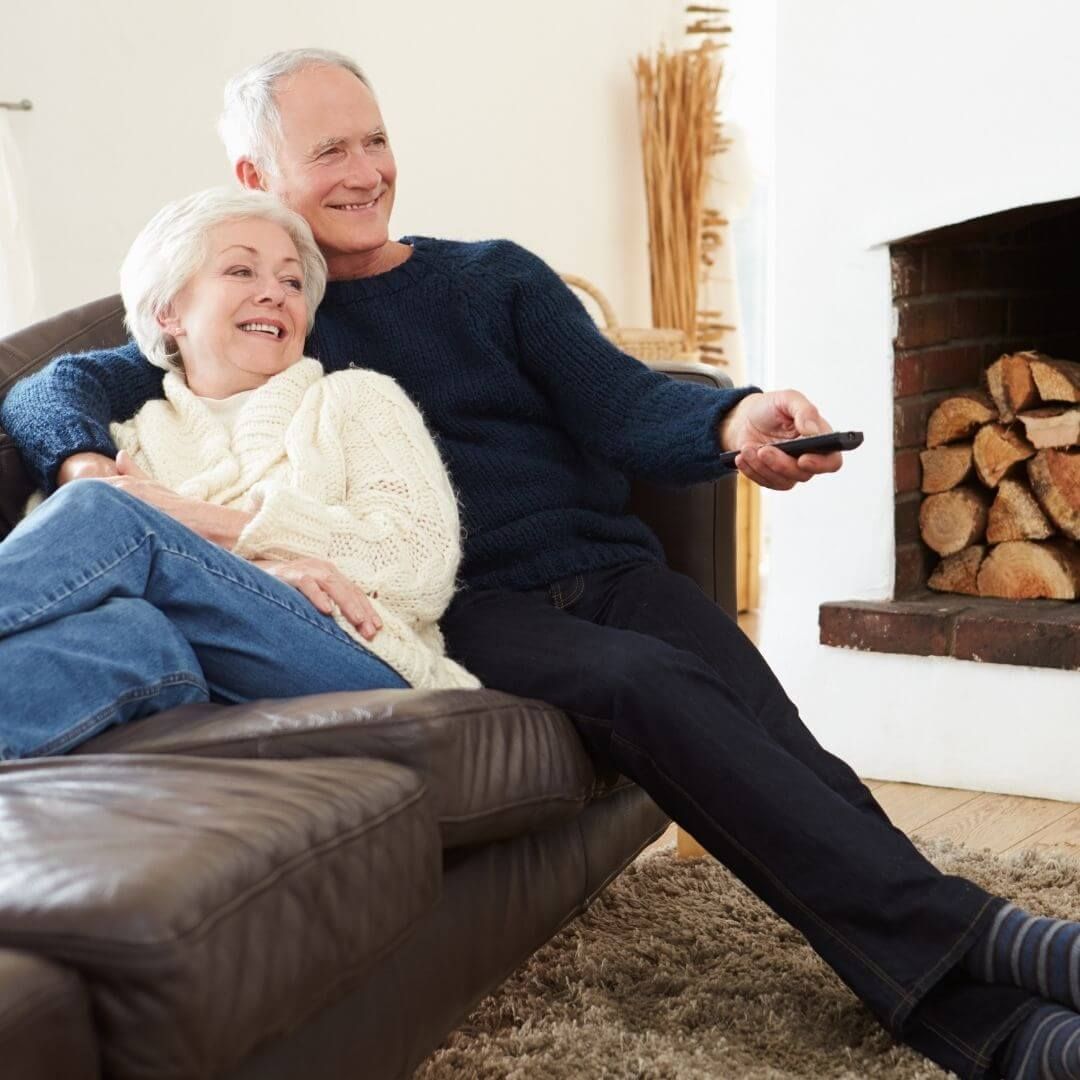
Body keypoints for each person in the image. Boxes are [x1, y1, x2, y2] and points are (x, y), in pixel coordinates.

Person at [2, 49, 1078, 1080]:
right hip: (475, 606)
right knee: (640, 685)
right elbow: (54, 386)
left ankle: (986, 1008)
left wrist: (734, 420)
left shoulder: (492, 280)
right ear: (256, 175)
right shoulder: (277, 310)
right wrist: (92, 465)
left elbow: (626, 402)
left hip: (610, 569)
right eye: (329, 151)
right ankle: (996, 960)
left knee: (784, 744)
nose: (366, 170)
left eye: (375, 140)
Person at [0, 185, 478, 759]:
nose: (274, 293)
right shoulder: (128, 441)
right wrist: (261, 574)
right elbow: (62, 582)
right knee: (129, 632)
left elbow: (418, 564)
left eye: (291, 282)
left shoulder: (357, 400)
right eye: (241, 271)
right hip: (202, 671)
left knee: (103, 508)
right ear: (168, 311)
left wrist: (200, 522)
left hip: (360, 659)